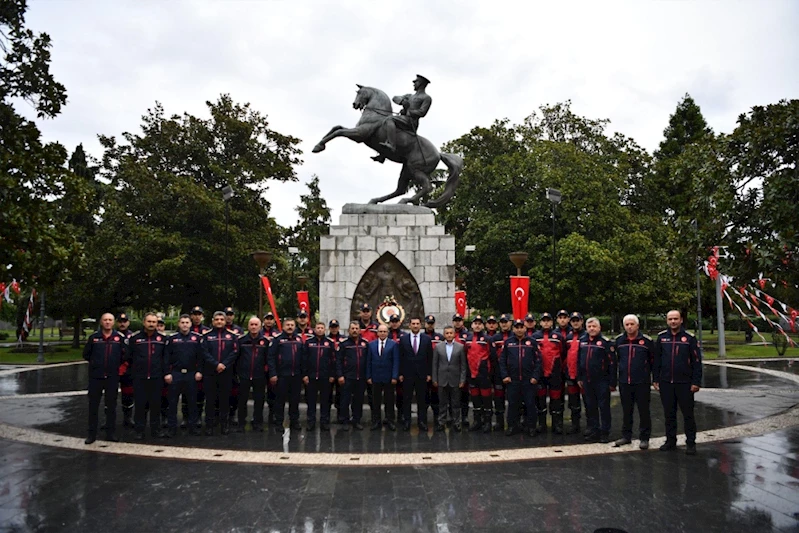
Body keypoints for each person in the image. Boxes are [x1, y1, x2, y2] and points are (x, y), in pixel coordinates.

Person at [653, 309, 703, 455]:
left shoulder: (689, 338)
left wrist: (696, 381)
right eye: (670, 319)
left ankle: (691, 443)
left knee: (688, 414)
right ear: (667, 321)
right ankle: (670, 441)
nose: (673, 322)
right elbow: (657, 360)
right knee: (669, 414)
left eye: (675, 319)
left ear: (681, 320)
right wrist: (656, 378)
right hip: (666, 382)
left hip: (685, 383)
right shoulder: (662, 338)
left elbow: (697, 362)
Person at [83, 313, 126, 444]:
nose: (107, 322)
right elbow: (86, 355)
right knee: (93, 406)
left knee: (111, 406)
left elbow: (125, 356)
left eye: (110, 320)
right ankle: (91, 434)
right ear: (101, 322)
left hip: (112, 377)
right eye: (105, 320)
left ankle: (110, 433)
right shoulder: (94, 338)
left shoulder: (119, 338)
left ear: (113, 323)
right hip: (96, 377)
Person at [614, 314, 655, 449]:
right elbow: (617, 360)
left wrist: (654, 379)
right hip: (625, 381)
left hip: (642, 382)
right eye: (627, 324)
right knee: (626, 410)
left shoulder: (646, 341)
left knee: (644, 411)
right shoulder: (619, 341)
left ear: (637, 325)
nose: (629, 327)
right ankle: (626, 436)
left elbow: (653, 361)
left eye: (632, 324)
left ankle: (644, 437)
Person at [126, 312, 169, 439]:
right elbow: (129, 357)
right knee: (140, 405)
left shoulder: (162, 339)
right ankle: (139, 430)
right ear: (144, 322)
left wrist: (165, 373)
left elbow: (165, 358)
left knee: (156, 405)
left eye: (154, 322)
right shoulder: (135, 338)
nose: (151, 324)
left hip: (156, 377)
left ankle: (156, 430)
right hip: (140, 377)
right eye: (149, 321)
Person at [164, 314, 204, 437]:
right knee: (172, 403)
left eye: (187, 322)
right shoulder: (172, 339)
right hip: (176, 374)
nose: (185, 325)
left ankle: (192, 427)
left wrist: (199, 371)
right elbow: (166, 357)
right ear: (178, 324)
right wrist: (167, 373)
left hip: (191, 374)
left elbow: (201, 357)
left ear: (191, 324)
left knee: (192, 402)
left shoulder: (197, 338)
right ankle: (172, 428)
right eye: (182, 322)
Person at [500, 319, 542, 436]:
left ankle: (531, 427)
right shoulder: (508, 342)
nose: (519, 329)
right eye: (516, 327)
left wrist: (535, 376)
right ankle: (512, 426)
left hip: (528, 380)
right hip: (512, 379)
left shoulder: (532, 342)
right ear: (513, 329)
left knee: (530, 404)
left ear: (525, 328)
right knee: (513, 404)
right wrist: (505, 375)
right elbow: (502, 361)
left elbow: (538, 361)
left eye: (521, 327)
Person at [577, 318, 616, 443]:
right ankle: (594, 430)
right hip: (587, 380)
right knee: (590, 406)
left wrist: (612, 382)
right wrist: (579, 377)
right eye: (589, 326)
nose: (592, 329)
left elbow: (612, 363)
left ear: (599, 328)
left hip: (601, 381)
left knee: (603, 407)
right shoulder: (582, 341)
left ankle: (605, 432)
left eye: (594, 326)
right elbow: (579, 360)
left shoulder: (605, 342)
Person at [376, 75, 432, 156]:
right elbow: (395, 98)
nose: (414, 84)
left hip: (411, 121)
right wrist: (402, 101)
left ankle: (391, 145)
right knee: (386, 126)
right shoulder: (409, 96)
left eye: (416, 82)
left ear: (421, 83)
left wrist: (409, 111)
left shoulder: (426, 98)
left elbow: (422, 112)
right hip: (403, 119)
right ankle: (383, 155)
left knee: (389, 119)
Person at [202, 311, 239, 435]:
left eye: (221, 319)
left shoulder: (232, 336)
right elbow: (204, 353)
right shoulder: (206, 336)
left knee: (225, 400)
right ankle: (209, 425)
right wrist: (216, 364)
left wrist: (224, 364)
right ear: (213, 321)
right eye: (216, 319)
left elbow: (235, 352)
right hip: (210, 373)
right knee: (210, 400)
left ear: (225, 321)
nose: (219, 321)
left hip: (226, 373)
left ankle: (224, 425)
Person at [532, 313, 567, 434]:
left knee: (556, 399)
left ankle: (556, 424)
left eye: (548, 321)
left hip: (555, 373)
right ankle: (541, 424)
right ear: (540, 323)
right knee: (540, 399)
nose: (546, 323)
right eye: (544, 321)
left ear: (552, 322)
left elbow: (563, 353)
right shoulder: (535, 337)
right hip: (540, 374)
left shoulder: (558, 336)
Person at [268, 318, 305, 431]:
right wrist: (273, 373)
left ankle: (294, 421)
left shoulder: (299, 339)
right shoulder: (277, 340)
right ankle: (279, 422)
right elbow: (271, 357)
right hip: (282, 375)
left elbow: (303, 358)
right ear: (283, 327)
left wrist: (303, 374)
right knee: (280, 400)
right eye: (287, 325)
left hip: (296, 375)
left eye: (292, 325)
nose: (290, 327)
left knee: (295, 400)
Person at [398, 317, 433, 431]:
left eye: (417, 323)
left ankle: (422, 422)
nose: (415, 326)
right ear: (409, 325)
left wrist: (429, 373)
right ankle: (407, 421)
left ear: (421, 325)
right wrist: (400, 373)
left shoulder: (426, 339)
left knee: (421, 399)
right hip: (407, 374)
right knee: (406, 399)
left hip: (422, 374)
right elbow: (400, 358)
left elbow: (430, 358)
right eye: (413, 324)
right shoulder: (403, 339)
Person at [464, 315, 496, 433]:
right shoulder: (468, 339)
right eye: (475, 323)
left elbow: (493, 358)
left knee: (486, 399)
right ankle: (477, 421)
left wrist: (489, 374)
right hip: (471, 375)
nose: (477, 325)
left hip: (484, 375)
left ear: (483, 326)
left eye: (479, 323)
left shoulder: (488, 339)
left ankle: (487, 422)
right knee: (475, 399)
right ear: (471, 325)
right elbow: (465, 355)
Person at [236, 317, 269, 432]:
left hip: (259, 375)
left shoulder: (265, 341)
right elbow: (237, 358)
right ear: (248, 326)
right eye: (251, 324)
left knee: (259, 400)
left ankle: (257, 422)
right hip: (244, 375)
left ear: (260, 327)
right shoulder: (241, 340)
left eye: (256, 325)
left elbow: (268, 359)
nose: (254, 327)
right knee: (242, 400)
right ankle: (241, 423)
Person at [432, 326, 466, 432]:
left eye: (451, 333)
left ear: (454, 334)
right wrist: (434, 379)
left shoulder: (460, 347)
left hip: (455, 379)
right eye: (447, 333)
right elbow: (435, 364)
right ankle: (441, 422)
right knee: (442, 403)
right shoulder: (438, 347)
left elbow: (463, 366)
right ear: (444, 334)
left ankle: (456, 422)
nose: (449, 335)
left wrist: (462, 380)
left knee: (455, 403)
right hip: (442, 379)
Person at [366, 324, 400, 431]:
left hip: (388, 377)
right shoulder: (371, 345)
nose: (382, 333)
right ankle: (376, 421)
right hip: (375, 377)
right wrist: (368, 376)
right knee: (375, 401)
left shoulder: (393, 345)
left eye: (384, 331)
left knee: (389, 401)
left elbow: (396, 362)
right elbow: (368, 362)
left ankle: (390, 421)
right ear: (377, 333)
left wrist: (395, 376)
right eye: (380, 331)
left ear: (387, 333)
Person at [304, 322, 337, 431]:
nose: (319, 330)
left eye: (322, 328)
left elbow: (333, 360)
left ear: (325, 329)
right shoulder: (308, 342)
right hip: (311, 376)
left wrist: (332, 374)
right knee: (311, 400)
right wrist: (305, 374)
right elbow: (304, 359)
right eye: (318, 327)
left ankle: (324, 421)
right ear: (314, 329)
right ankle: (311, 421)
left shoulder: (330, 343)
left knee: (325, 401)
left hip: (325, 377)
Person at [337, 322, 369, 430]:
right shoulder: (344, 344)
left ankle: (356, 420)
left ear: (360, 330)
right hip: (347, 377)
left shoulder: (365, 344)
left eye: (356, 328)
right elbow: (338, 361)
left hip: (361, 377)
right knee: (345, 400)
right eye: (352, 328)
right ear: (349, 330)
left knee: (358, 400)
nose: (354, 330)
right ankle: (344, 420)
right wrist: (340, 375)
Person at [187, 306, 210, 428]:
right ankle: (186, 418)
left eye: (199, 314)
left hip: (202, 368)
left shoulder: (207, 331)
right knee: (187, 394)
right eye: (194, 314)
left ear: (202, 316)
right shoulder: (185, 328)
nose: (196, 316)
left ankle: (198, 417)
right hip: (188, 367)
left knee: (200, 394)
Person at [564, 312, 585, 434]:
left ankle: (591, 425)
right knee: (573, 401)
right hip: (570, 373)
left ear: (582, 321)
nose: (575, 322)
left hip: (583, 374)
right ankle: (575, 424)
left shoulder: (587, 336)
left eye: (578, 320)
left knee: (588, 401)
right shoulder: (568, 337)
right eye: (573, 320)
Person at [115, 312, 135, 429]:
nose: (122, 324)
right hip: (113, 370)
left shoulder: (132, 337)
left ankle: (128, 418)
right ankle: (108, 419)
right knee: (110, 395)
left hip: (128, 371)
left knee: (128, 395)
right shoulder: (112, 335)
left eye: (125, 321)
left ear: (128, 323)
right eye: (120, 321)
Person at [424, 314, 443, 427]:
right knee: (425, 397)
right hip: (425, 371)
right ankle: (424, 420)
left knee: (436, 397)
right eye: (428, 323)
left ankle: (437, 419)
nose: (430, 325)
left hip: (438, 371)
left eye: (431, 323)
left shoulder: (440, 337)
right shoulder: (421, 337)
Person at [451, 313, 470, 428]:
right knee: (451, 394)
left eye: (459, 320)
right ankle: (452, 416)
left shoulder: (467, 335)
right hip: (452, 368)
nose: (457, 322)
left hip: (464, 367)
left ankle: (464, 416)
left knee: (464, 394)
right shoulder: (449, 334)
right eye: (455, 320)